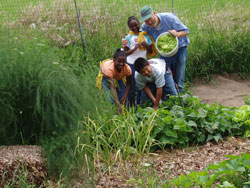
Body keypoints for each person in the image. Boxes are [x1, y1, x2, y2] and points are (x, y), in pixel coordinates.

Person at [140, 6, 190, 92]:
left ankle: (179, 97)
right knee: (163, 73)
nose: (149, 22)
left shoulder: (169, 18)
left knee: (179, 74)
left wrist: (177, 34)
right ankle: (168, 95)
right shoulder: (145, 26)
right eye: (146, 20)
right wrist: (128, 40)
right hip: (164, 52)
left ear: (154, 13)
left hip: (180, 48)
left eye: (149, 18)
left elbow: (186, 31)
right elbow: (139, 35)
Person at [123, 16, 157, 106]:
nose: (134, 28)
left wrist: (147, 46)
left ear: (139, 24)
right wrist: (134, 48)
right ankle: (131, 106)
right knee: (132, 87)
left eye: (136, 25)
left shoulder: (145, 35)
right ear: (129, 28)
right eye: (132, 27)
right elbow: (125, 54)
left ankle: (139, 104)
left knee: (141, 86)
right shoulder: (127, 38)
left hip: (143, 65)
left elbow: (150, 51)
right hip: (131, 64)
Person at [96, 48, 132, 114]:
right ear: (114, 60)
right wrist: (118, 105)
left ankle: (121, 114)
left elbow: (129, 83)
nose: (121, 64)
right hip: (106, 75)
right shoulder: (108, 69)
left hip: (119, 75)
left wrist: (125, 96)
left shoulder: (127, 69)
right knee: (110, 100)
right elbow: (113, 87)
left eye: (123, 62)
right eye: (119, 61)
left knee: (122, 99)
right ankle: (109, 113)